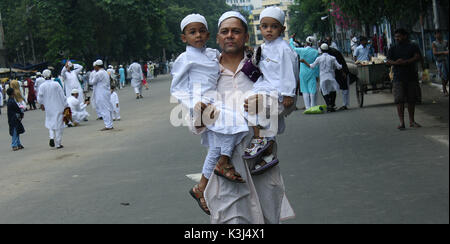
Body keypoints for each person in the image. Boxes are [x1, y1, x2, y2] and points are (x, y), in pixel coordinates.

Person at [201, 10, 295, 224]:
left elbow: (288, 105)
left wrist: (266, 104)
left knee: (268, 216)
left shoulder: (262, 65)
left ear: (246, 37)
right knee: (232, 220)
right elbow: (194, 121)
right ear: (217, 38)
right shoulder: (207, 72)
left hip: (260, 157)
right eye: (224, 31)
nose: (230, 35)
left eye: (236, 31)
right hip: (227, 163)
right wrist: (204, 114)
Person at [171, 13, 247, 215]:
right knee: (236, 124)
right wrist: (194, 104)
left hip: (215, 100)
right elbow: (177, 88)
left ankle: (201, 187)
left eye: (201, 31)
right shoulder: (184, 59)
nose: (198, 35)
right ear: (183, 37)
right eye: (192, 32)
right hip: (201, 104)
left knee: (218, 143)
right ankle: (223, 163)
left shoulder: (212, 53)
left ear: (208, 34)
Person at [243, 6, 298, 175]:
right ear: (260, 28)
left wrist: (289, 93)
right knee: (246, 105)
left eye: (273, 27)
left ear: (282, 28)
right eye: (265, 26)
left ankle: (262, 141)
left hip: (280, 92)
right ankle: (266, 150)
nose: (269, 30)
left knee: (255, 108)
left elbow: (289, 71)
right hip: (265, 87)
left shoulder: (284, 48)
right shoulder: (263, 48)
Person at [387, 28, 423, 130]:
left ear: (404, 36)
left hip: (411, 76)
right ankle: (402, 122)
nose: (397, 38)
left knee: (411, 99)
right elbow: (388, 61)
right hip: (398, 77)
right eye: (396, 37)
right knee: (399, 100)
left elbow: (417, 57)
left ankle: (412, 121)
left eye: (399, 36)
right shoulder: (393, 48)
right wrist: (396, 63)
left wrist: (406, 62)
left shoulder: (412, 46)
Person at [300, 43, 343, 112]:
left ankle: (328, 105)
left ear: (321, 50)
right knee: (333, 90)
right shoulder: (332, 58)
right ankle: (332, 104)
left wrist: (304, 61)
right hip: (331, 76)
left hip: (323, 77)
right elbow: (339, 67)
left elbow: (312, 66)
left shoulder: (319, 58)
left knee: (323, 91)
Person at [37, 69, 69, 149]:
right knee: (59, 125)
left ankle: (51, 137)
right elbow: (62, 96)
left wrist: (42, 104)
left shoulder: (42, 86)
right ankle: (58, 143)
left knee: (50, 123)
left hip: (48, 108)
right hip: (58, 107)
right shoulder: (56, 84)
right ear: (51, 75)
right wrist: (66, 105)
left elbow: (39, 98)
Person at [290, 34, 320, 109]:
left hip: (303, 73)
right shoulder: (316, 52)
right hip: (312, 72)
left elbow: (292, 48)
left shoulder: (302, 51)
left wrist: (291, 39)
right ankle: (313, 105)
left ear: (306, 43)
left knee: (304, 90)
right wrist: (317, 75)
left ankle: (307, 107)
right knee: (312, 89)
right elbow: (317, 65)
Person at [89, 60, 114, 131]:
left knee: (103, 109)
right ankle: (110, 124)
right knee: (108, 107)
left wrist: (90, 79)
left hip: (101, 93)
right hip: (106, 92)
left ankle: (108, 125)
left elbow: (92, 82)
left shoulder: (98, 73)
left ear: (97, 66)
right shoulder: (105, 72)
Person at [327, 45, 350, 110]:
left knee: (344, 88)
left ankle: (345, 104)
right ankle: (333, 104)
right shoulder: (331, 52)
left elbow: (340, 63)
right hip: (336, 72)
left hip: (341, 71)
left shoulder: (334, 53)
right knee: (334, 88)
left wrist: (343, 72)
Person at [432, 30, 449, 96]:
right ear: (435, 35)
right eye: (437, 34)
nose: (439, 35)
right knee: (443, 76)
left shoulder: (445, 42)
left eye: (440, 34)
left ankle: (444, 88)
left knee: (447, 75)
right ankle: (444, 89)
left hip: (446, 60)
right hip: (440, 61)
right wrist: (444, 52)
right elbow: (434, 53)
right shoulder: (434, 43)